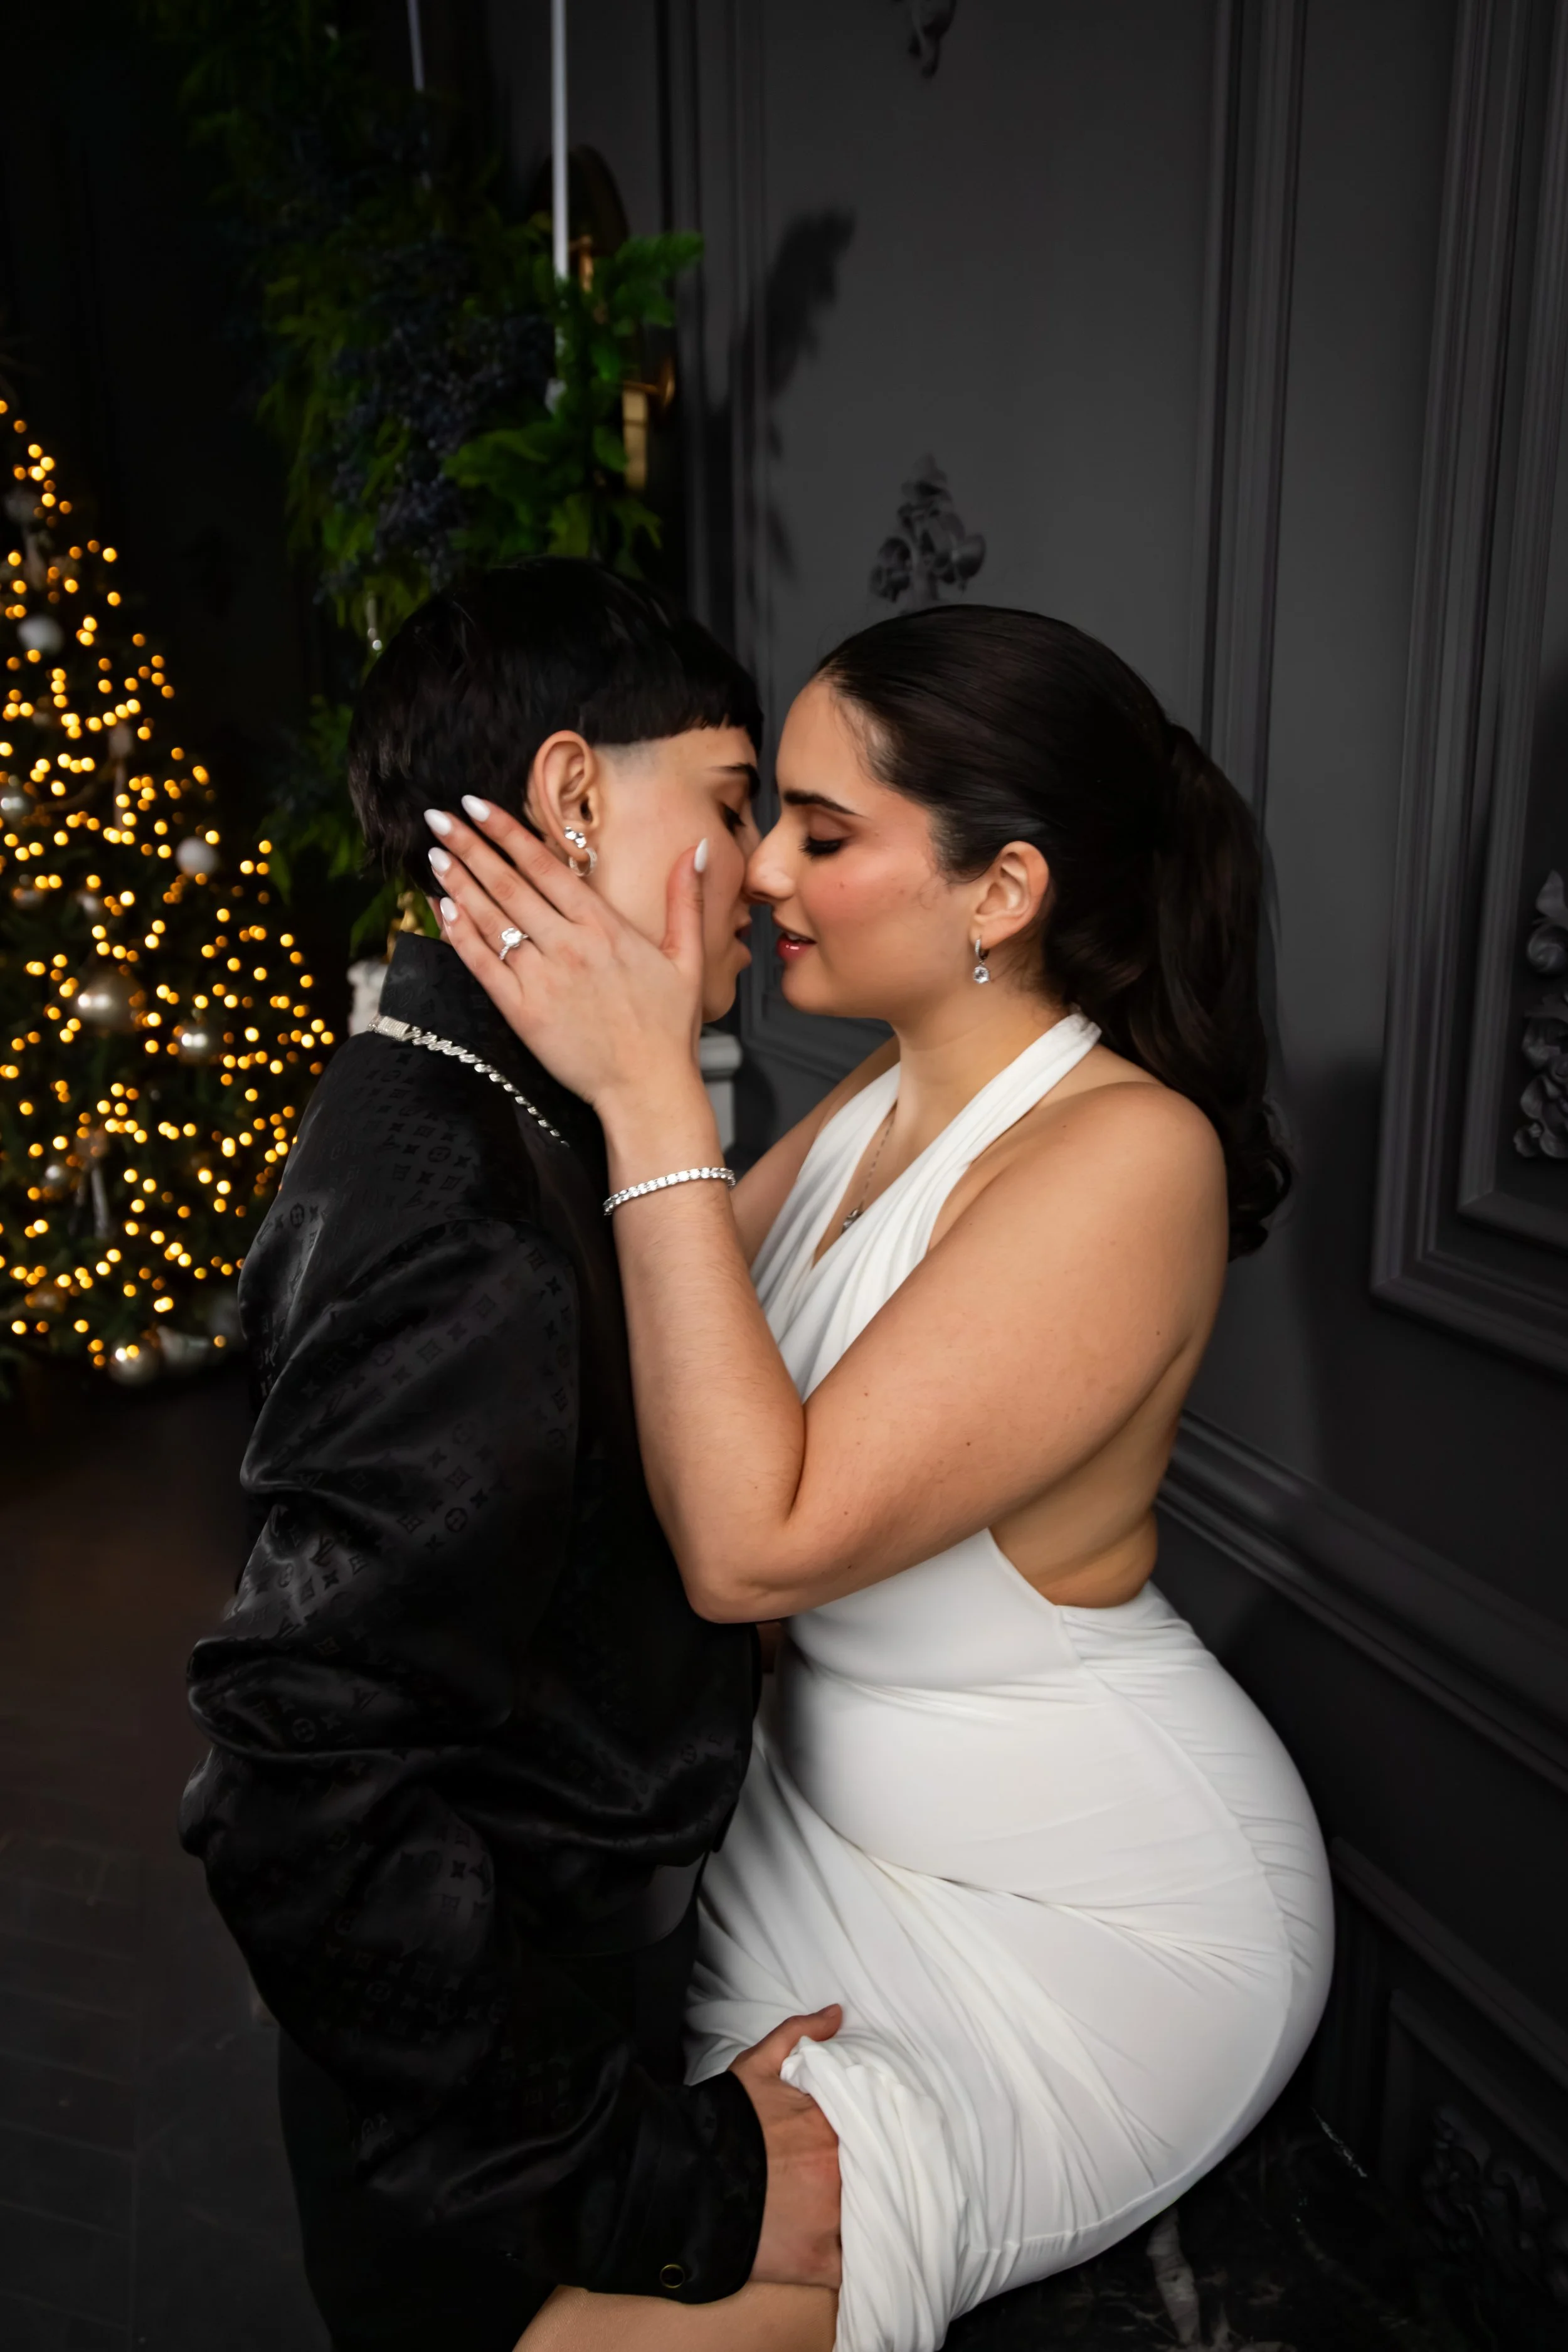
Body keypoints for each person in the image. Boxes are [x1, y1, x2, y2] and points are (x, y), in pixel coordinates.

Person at [426, 602, 1336, 2352]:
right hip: (812, 1831)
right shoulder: (871, 1101)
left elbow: (751, 1539)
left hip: (1084, 1924)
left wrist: (652, 1096)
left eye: (822, 834)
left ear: (1000, 891)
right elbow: (644, 1376)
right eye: (769, 809)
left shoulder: (1131, 1157)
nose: (763, 865)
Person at [179, 562, 843, 2352]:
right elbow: (295, 1798)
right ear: (568, 798)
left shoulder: (463, 1100)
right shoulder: (467, 1200)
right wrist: (669, 2176)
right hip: (495, 2155)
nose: (762, 872)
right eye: (726, 804)